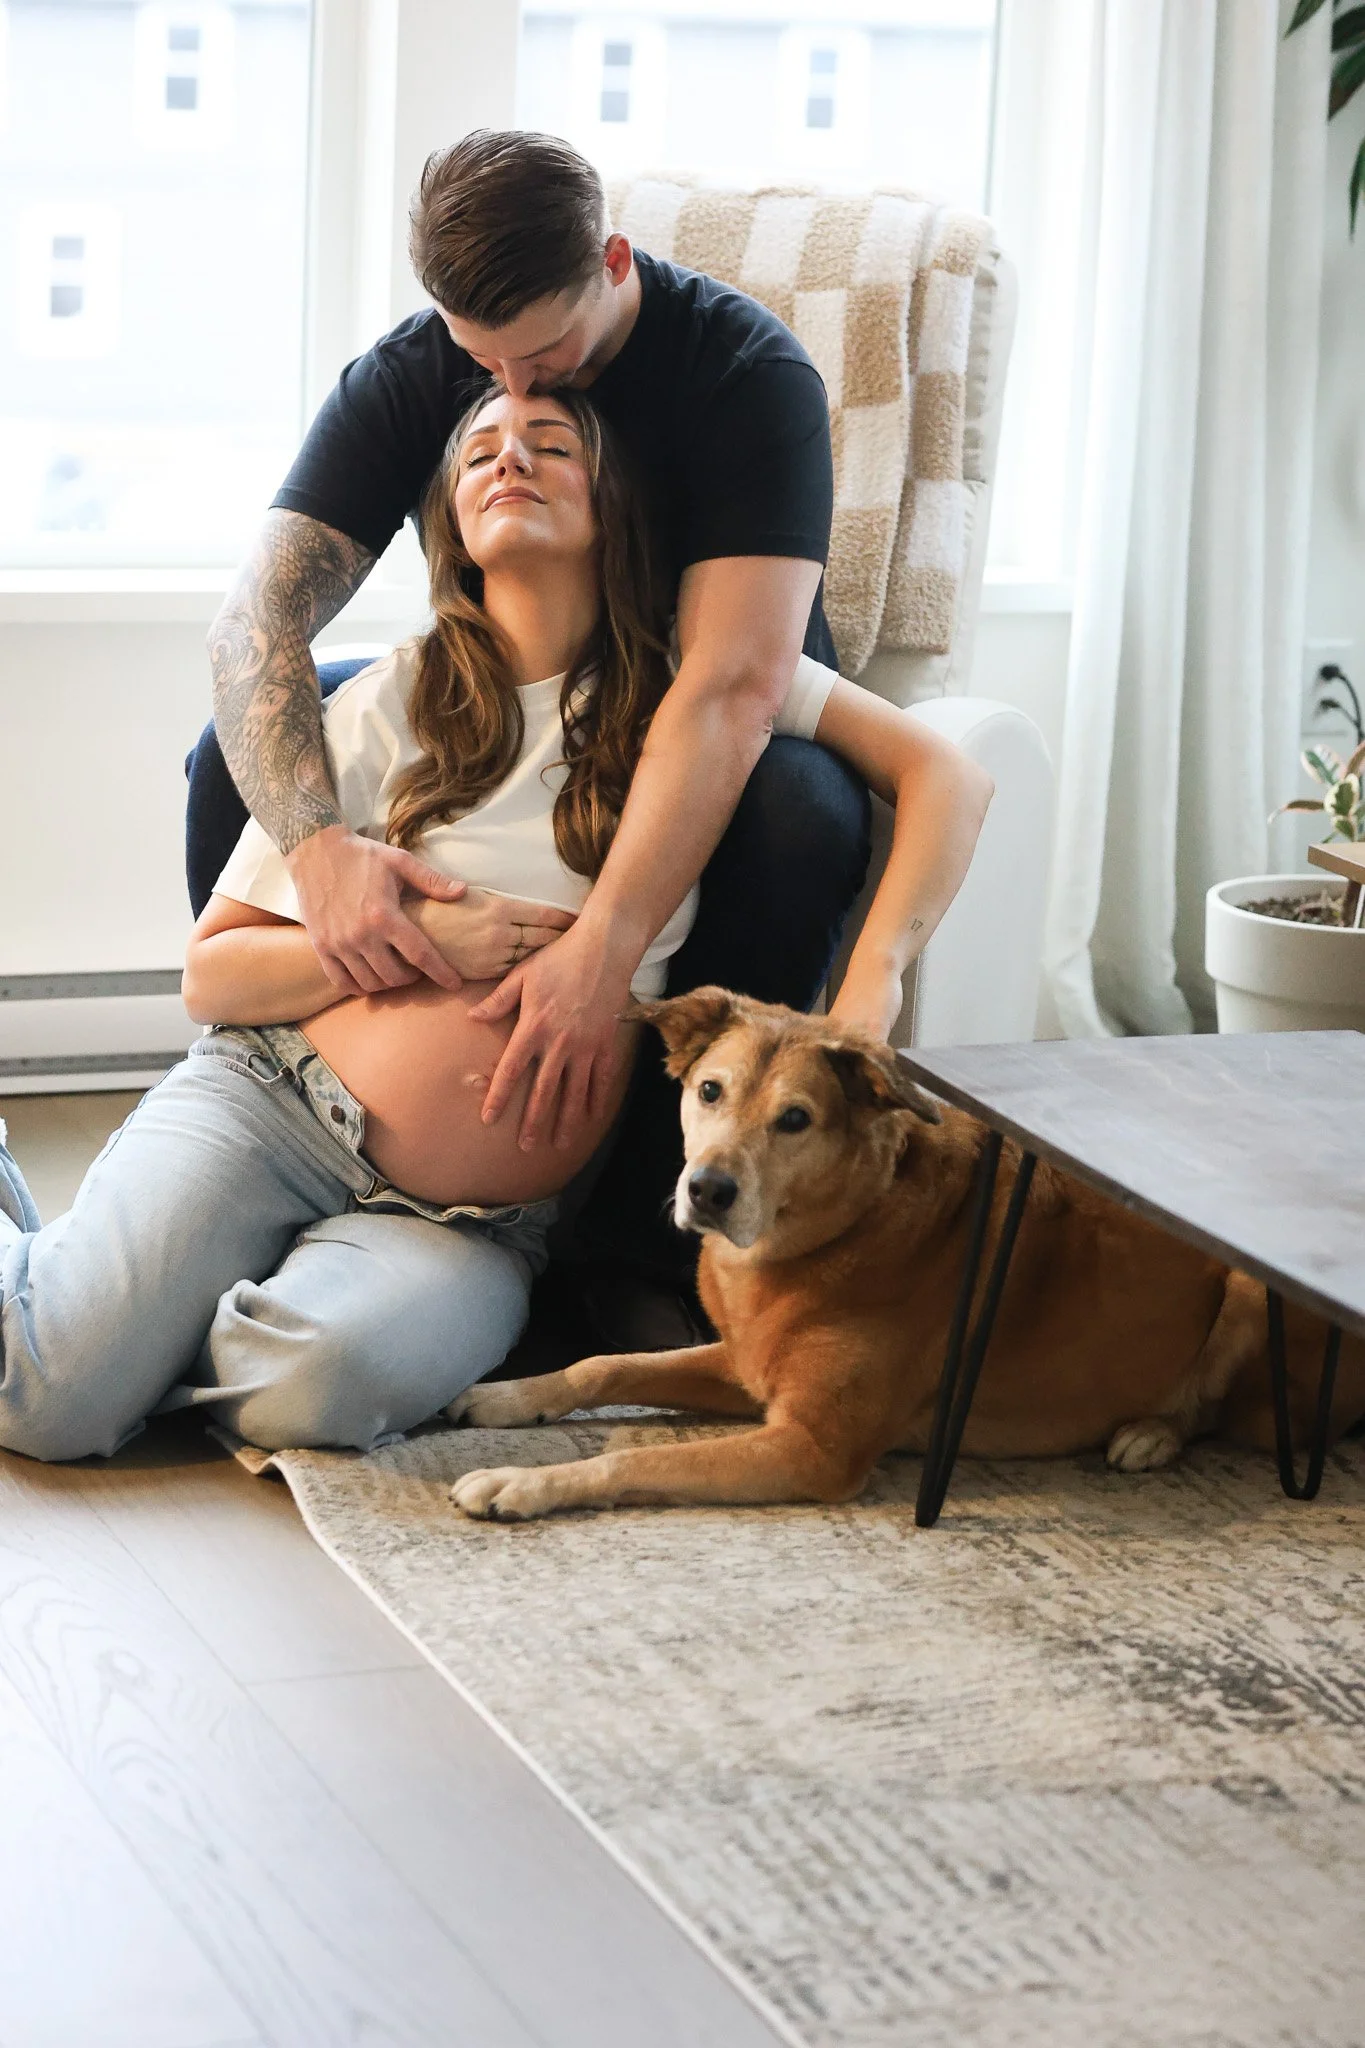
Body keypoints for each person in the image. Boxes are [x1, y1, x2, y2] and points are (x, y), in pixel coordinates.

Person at [0, 385, 991, 1464]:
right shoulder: (388, 700)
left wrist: (870, 991)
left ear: (614, 504)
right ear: (454, 524)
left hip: (474, 1222)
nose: (508, 458)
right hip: (273, 1102)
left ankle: (141, 1300)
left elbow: (946, 773)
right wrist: (431, 945)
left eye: (550, 443)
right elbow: (216, 979)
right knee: (52, 1403)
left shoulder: (707, 682)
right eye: (478, 455)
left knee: (306, 1390)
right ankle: (109, 1301)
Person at [199, 128, 877, 1304]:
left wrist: (603, 952)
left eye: (546, 356)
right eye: (484, 363)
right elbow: (252, 621)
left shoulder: (745, 376)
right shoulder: (415, 369)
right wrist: (317, 856)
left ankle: (635, 1242)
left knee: (802, 811)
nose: (514, 389)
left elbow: (730, 689)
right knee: (243, 748)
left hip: (704, 704)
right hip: (510, 669)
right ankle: (247, 1110)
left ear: (614, 259)